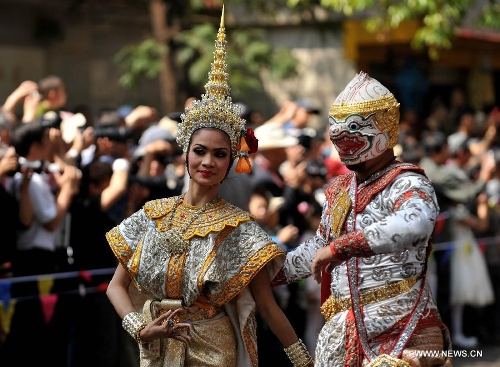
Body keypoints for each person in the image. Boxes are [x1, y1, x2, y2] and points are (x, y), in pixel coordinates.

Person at [105, 9, 313, 367]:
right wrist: (141, 328)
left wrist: (304, 361)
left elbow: (266, 307)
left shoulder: (239, 229)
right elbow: (115, 287)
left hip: (213, 348)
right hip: (156, 347)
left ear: (233, 160)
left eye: (220, 154)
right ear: (185, 153)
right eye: (199, 151)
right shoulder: (153, 214)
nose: (208, 162)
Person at [271, 71, 452, 366]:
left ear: (385, 126)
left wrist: (340, 247)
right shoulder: (340, 189)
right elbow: (316, 249)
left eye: (354, 128)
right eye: (336, 130)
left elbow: (413, 222)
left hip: (402, 325)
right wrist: (265, 275)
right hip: (342, 334)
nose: (342, 137)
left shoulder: (406, 181)